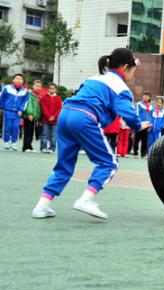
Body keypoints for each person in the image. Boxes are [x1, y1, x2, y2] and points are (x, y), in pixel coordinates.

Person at [31, 48, 150, 219]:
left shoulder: (94, 78)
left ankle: (41, 206)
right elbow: (128, 114)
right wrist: (138, 125)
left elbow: (83, 94)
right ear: (125, 67)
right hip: (85, 118)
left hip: (65, 115)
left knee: (64, 165)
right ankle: (86, 199)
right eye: (134, 68)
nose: (134, 72)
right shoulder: (121, 88)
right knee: (109, 162)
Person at [0, 74, 29, 151]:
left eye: (20, 79)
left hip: (17, 113)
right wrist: (1, 107)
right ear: (13, 80)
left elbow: (25, 101)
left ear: (22, 81)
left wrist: (21, 110)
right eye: (17, 78)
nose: (18, 80)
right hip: (8, 111)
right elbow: (2, 98)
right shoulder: (7, 88)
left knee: (16, 127)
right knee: (7, 126)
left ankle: (14, 143)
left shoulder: (25, 91)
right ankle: (6, 141)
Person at [40, 83, 62, 153]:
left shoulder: (58, 98)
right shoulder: (44, 97)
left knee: (53, 135)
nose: (52, 90)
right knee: (44, 134)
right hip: (45, 120)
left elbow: (59, 109)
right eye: (50, 89)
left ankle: (52, 148)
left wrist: (54, 116)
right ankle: (43, 148)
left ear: (56, 90)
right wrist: (48, 116)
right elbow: (43, 108)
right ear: (48, 89)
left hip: (55, 121)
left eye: (53, 89)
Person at [22, 80, 42, 152]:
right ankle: (25, 147)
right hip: (28, 116)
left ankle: (29, 146)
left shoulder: (39, 95)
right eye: (37, 86)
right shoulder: (29, 93)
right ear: (33, 86)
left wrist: (38, 116)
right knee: (28, 131)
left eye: (40, 86)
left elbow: (38, 107)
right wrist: (30, 114)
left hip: (34, 117)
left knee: (31, 132)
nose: (38, 88)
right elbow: (29, 104)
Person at [134, 92, 152, 158]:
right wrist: (138, 123)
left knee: (145, 140)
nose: (146, 97)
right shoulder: (139, 104)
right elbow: (137, 113)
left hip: (147, 125)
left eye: (148, 96)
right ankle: (135, 152)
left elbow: (151, 116)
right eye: (145, 96)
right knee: (137, 139)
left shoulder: (151, 106)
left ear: (150, 98)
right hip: (140, 124)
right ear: (143, 96)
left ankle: (143, 154)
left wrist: (150, 125)